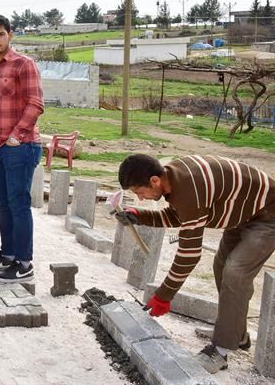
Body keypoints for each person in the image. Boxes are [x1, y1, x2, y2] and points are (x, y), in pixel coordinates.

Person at [116, 154, 275, 374]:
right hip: (243, 213)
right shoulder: (173, 178)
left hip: (268, 214)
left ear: (155, 181)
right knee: (221, 266)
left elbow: (189, 255)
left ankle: (221, 350)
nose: (141, 199)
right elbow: (179, 216)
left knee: (235, 272)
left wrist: (164, 295)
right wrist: (139, 216)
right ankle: (237, 335)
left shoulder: (190, 190)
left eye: (140, 193)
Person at [0, 13, 44, 283]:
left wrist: (16, 135)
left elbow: (36, 103)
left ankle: (24, 263)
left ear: (10, 35)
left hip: (20, 146)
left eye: (0, 34)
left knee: (19, 204)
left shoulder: (23, 65)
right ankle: (7, 255)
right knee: (2, 203)